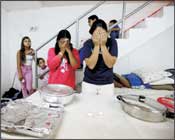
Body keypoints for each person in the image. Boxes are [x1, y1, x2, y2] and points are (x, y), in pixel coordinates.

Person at [80, 19, 118, 95]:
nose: (99, 36)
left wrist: (103, 45)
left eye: (102, 33)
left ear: (106, 33)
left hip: (107, 83)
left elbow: (110, 64)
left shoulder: (112, 42)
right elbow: (91, 65)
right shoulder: (88, 43)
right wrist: (97, 45)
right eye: (97, 33)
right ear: (92, 34)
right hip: (89, 83)